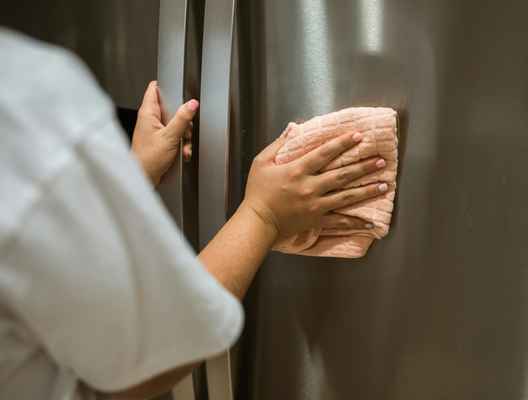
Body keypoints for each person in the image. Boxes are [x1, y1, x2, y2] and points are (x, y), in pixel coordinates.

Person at [0, 27, 389, 400]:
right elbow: (151, 357)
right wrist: (263, 215)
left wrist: (130, 178)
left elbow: (40, 264)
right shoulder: (25, 97)